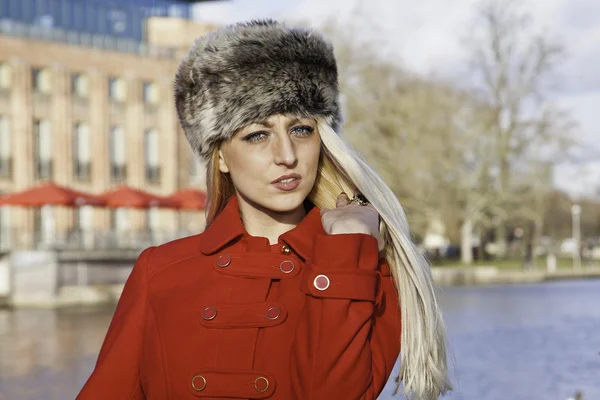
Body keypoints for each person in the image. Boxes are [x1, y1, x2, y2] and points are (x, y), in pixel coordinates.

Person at [77, 19, 451, 400]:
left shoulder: (367, 269)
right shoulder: (159, 272)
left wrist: (347, 246)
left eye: (301, 130)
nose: (287, 156)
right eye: (258, 135)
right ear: (220, 156)